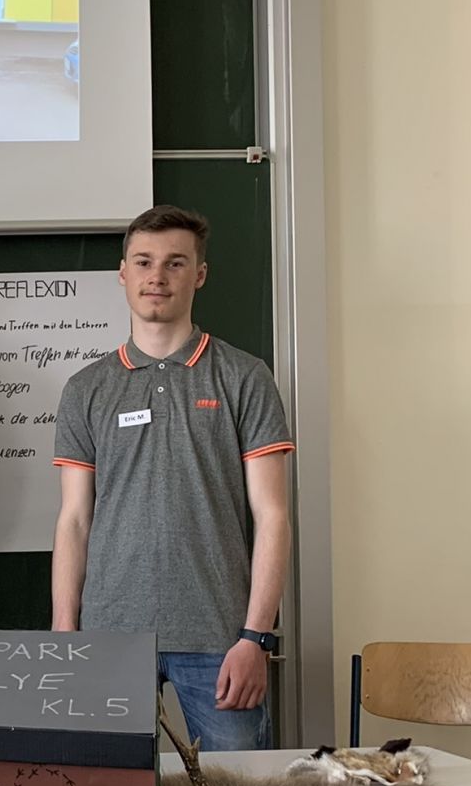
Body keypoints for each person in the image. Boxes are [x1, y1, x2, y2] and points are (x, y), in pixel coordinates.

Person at [50, 204, 294, 749]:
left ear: (199, 275)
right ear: (123, 273)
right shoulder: (86, 388)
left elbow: (273, 517)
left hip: (221, 639)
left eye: (175, 263)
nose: (156, 276)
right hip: (109, 639)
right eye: (143, 262)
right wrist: (65, 633)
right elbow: (74, 520)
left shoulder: (244, 377)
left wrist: (256, 636)